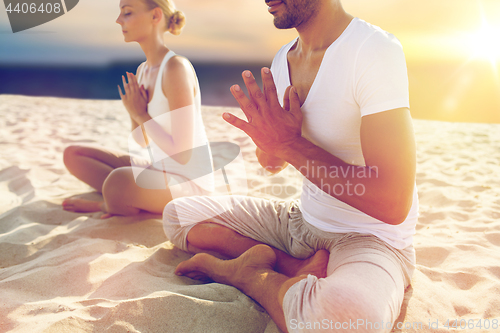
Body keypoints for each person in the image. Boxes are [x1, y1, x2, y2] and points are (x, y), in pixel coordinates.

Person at [164, 0, 418, 332]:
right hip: (299, 222)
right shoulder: (283, 60)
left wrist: (290, 144)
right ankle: (290, 264)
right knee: (178, 217)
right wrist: (271, 145)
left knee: (349, 319)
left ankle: (246, 274)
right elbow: (272, 163)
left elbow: (393, 201)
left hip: (368, 237)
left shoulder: (372, 50)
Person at [62, 0, 213, 218]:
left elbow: (183, 155)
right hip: (158, 169)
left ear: (155, 16)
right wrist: (134, 112)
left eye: (127, 12)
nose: (118, 20)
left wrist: (140, 113)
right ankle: (121, 195)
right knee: (74, 155)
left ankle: (105, 204)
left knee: (118, 181)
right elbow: (142, 141)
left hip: (190, 185)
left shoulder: (175, 68)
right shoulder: (143, 70)